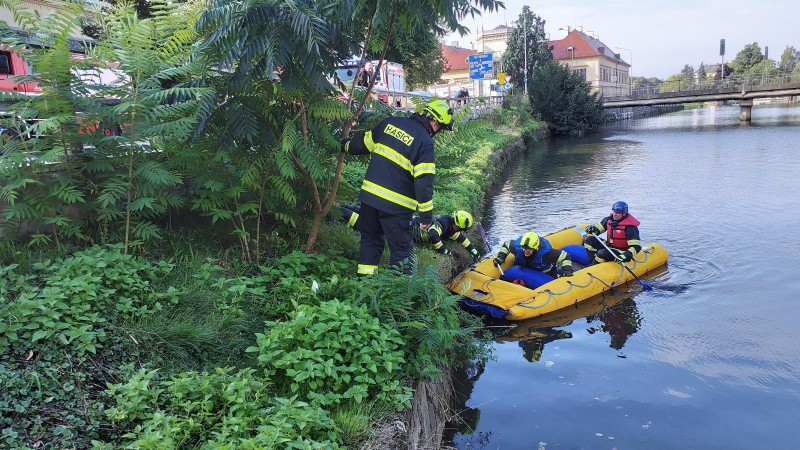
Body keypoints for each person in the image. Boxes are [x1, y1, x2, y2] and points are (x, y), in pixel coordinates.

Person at [340, 99, 454, 275]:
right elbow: (424, 183)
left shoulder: (390, 123)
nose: (438, 132)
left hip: (370, 199)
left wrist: (342, 145)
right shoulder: (425, 143)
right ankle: (399, 296)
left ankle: (364, 286)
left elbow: (362, 144)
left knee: (370, 242)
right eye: (441, 128)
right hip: (396, 208)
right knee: (401, 251)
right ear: (435, 122)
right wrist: (426, 217)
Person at [341, 205, 482, 262]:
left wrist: (474, 251)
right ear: (457, 225)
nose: (460, 232)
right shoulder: (442, 225)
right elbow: (433, 235)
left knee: (376, 216)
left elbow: (462, 239)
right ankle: (340, 212)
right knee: (372, 225)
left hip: (405, 223)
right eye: (461, 229)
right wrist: (445, 252)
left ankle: (342, 207)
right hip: (404, 229)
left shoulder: (450, 227)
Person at [493, 232, 573, 278]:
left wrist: (567, 270)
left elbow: (565, 256)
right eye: (524, 248)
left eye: (529, 249)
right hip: (522, 269)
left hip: (544, 273)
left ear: (536, 248)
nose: (525, 251)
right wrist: (500, 258)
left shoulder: (546, 253)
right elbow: (507, 244)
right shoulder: (517, 248)